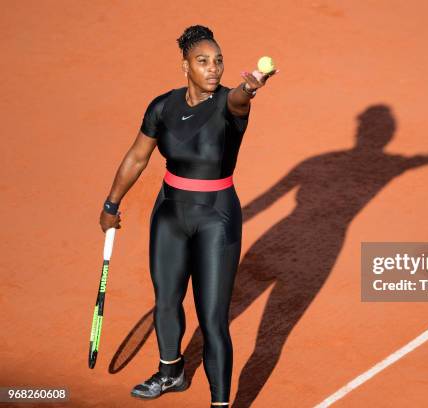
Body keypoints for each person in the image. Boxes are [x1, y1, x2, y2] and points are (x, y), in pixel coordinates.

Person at [98, 24, 278, 406]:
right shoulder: (162, 107)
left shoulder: (231, 104)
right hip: (169, 214)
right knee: (166, 299)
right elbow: (137, 157)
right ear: (186, 67)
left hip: (217, 218)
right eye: (203, 61)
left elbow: (241, 98)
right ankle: (170, 372)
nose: (213, 68)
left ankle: (220, 403)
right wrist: (111, 204)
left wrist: (252, 86)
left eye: (218, 61)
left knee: (212, 320)